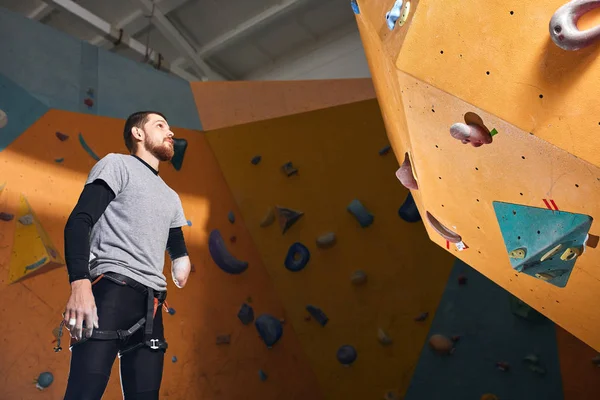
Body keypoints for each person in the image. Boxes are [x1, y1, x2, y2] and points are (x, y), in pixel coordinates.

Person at [60, 111, 192, 400]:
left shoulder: (171, 196)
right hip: (111, 293)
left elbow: (176, 241)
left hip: (152, 306)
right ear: (138, 133)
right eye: (160, 126)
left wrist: (181, 259)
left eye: (170, 128)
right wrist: (79, 284)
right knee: (84, 394)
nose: (170, 133)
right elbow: (79, 221)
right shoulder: (117, 164)